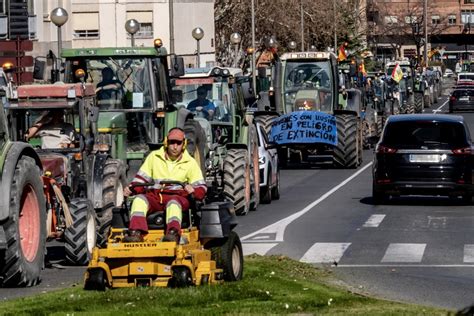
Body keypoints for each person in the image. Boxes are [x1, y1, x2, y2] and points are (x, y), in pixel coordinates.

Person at [123, 127, 207, 243]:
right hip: (155, 197)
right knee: (139, 200)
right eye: (172, 142)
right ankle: (136, 233)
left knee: (173, 204)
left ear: (184, 144)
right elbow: (140, 180)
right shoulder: (154, 157)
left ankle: (173, 234)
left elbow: (202, 188)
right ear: (166, 142)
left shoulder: (190, 162)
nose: (175, 146)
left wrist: (193, 190)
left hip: (178, 197)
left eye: (178, 143)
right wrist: (131, 189)